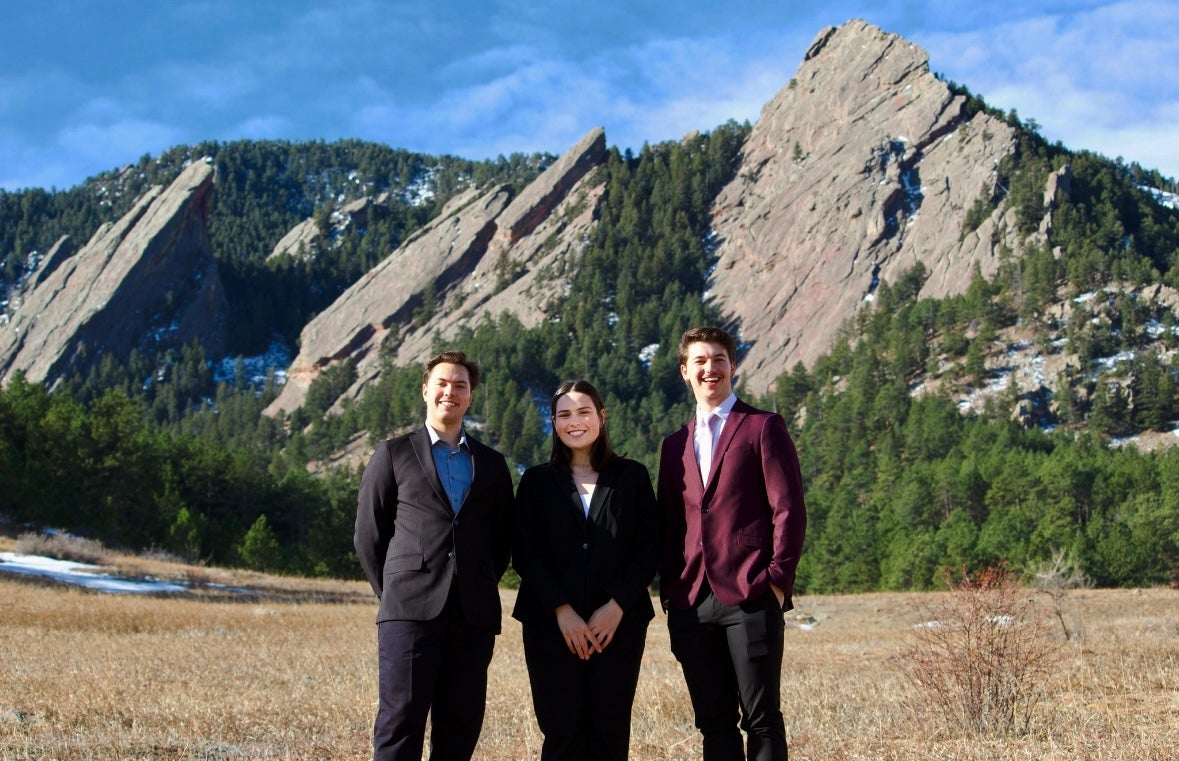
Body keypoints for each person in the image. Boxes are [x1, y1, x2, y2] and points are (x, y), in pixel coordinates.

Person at [354, 350, 514, 761]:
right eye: (442, 383)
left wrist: (474, 581)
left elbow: (501, 541)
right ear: (426, 390)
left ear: (470, 396)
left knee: (460, 728)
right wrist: (396, 591)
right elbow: (369, 535)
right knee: (399, 724)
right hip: (408, 611)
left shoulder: (492, 465)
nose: (450, 392)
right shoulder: (393, 454)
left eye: (460, 385)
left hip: (473, 616)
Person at [657, 327, 807, 761]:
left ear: (733, 366)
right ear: (685, 372)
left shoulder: (763, 426)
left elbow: (788, 509)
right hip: (691, 603)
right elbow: (668, 523)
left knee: (762, 720)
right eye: (700, 361)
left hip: (751, 595)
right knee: (713, 724)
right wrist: (671, 593)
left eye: (719, 359)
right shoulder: (673, 445)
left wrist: (777, 582)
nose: (711, 368)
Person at [512, 379, 659, 760]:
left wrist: (617, 606)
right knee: (561, 733)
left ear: (601, 417)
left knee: (610, 733)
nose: (574, 422)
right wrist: (562, 610)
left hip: (618, 628)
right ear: (554, 423)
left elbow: (650, 548)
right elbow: (525, 553)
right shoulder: (536, 482)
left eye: (583, 412)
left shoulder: (633, 476)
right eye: (564, 415)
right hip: (550, 627)